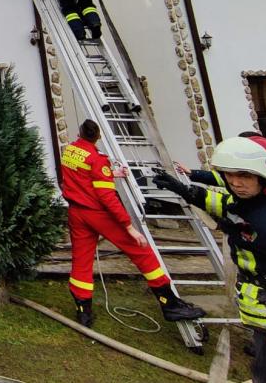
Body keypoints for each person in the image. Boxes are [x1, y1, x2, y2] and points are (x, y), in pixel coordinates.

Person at [155, 137, 266, 383]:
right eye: (229, 175)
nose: (235, 182)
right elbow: (225, 205)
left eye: (243, 175)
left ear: (263, 174)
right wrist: (185, 190)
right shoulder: (256, 201)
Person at [61, 119, 205, 327]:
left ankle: (83, 311)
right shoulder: (98, 159)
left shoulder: (70, 151)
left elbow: (83, 176)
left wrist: (111, 173)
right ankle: (169, 303)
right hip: (98, 213)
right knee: (141, 251)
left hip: (77, 212)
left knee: (81, 260)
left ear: (79, 133)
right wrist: (129, 227)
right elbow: (107, 197)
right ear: (98, 136)